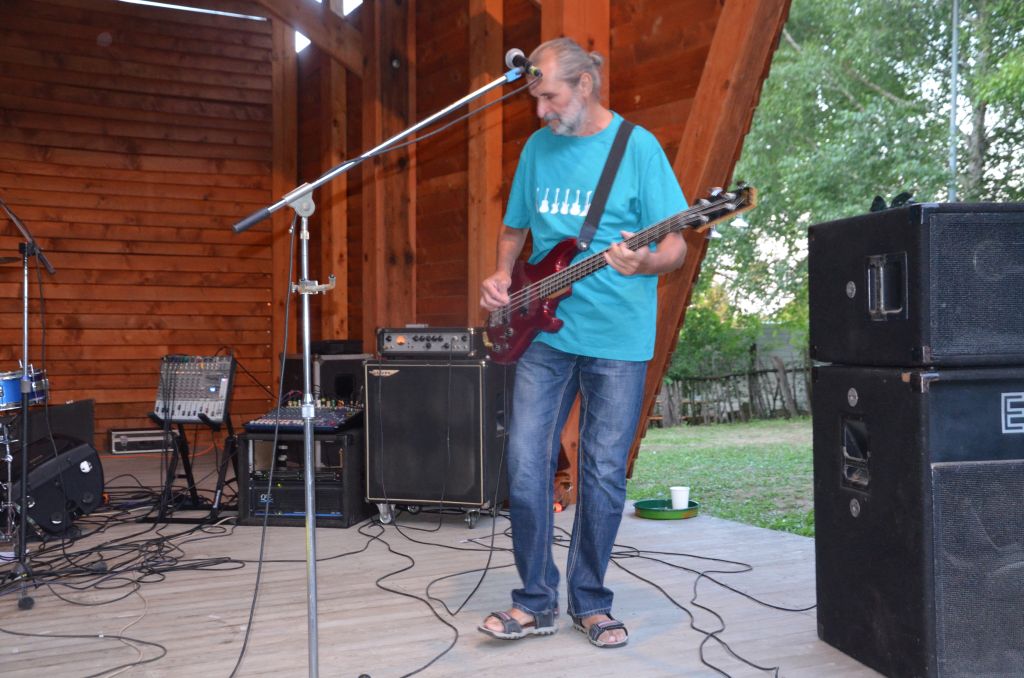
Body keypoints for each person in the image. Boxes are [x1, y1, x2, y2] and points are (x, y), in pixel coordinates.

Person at [477, 37, 688, 649]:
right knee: (526, 462)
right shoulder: (537, 149)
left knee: (602, 471)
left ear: (585, 84)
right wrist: (502, 275)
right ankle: (535, 600)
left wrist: (644, 262)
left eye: (549, 97)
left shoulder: (637, 148)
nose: (540, 110)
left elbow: (675, 245)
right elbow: (514, 228)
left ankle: (590, 601)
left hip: (618, 337)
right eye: (535, 98)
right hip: (543, 333)